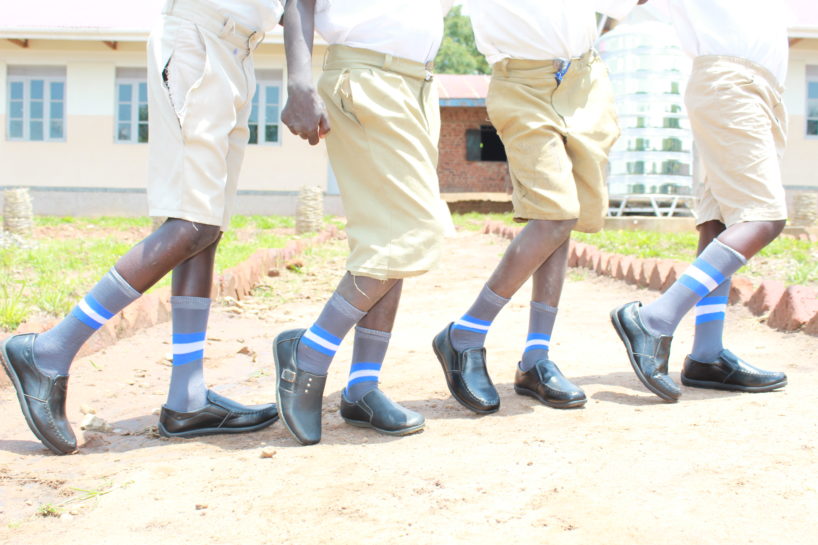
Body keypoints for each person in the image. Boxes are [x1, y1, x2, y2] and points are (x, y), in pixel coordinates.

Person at [0, 0, 288, 455]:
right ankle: (50, 349)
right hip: (200, 38)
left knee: (207, 228)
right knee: (192, 223)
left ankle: (187, 401)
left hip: (240, 50)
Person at [433, 0, 644, 414]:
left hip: (584, 76)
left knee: (564, 214)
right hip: (521, 81)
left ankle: (535, 359)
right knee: (555, 212)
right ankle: (466, 333)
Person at [273, 0, 454, 445]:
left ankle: (362, 386)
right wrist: (298, 81)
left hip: (418, 85)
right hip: (367, 77)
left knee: (390, 236)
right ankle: (309, 353)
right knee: (413, 230)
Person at [610, 0, 789, 402]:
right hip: (733, 82)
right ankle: (654, 320)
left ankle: (707, 355)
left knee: (721, 223)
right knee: (765, 218)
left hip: (749, 87)